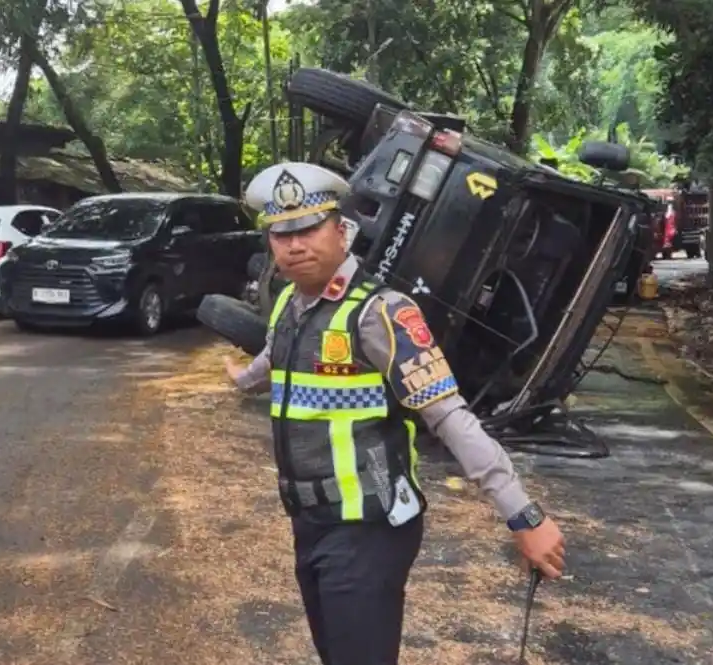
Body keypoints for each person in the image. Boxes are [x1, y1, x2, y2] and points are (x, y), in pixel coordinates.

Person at [225, 162, 566, 665]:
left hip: (369, 524)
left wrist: (523, 514)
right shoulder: (290, 306)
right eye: (281, 234)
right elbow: (275, 354)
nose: (294, 245)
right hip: (311, 519)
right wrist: (243, 378)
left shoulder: (381, 314)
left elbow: (450, 417)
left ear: (343, 232)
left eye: (309, 228)